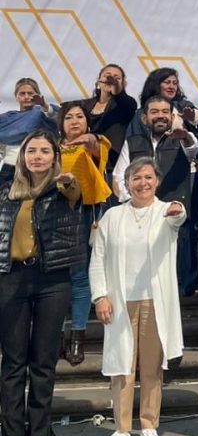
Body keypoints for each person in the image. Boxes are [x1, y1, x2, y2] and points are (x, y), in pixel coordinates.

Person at [89, 158, 186, 436]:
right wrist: (100, 296)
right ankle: (121, 430)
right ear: (127, 183)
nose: (142, 183)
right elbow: (98, 259)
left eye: (148, 177)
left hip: (154, 301)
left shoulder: (165, 211)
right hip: (120, 302)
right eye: (136, 178)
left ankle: (148, 426)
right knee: (122, 368)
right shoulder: (112, 216)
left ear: (157, 181)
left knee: (151, 368)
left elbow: (178, 216)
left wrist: (178, 209)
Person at [0, 130, 83, 436]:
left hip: (52, 280)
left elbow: (76, 192)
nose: (37, 156)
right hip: (11, 279)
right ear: (22, 156)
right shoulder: (6, 191)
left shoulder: (63, 187)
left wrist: (69, 182)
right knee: (13, 363)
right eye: (31, 150)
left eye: (44, 151)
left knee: (43, 363)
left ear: (54, 157)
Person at [58, 100, 112, 367]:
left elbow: (93, 144)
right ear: (61, 124)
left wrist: (88, 138)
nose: (74, 121)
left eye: (79, 116)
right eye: (69, 117)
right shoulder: (50, 147)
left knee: (80, 277)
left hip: (85, 214)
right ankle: (56, 337)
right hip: (55, 215)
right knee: (57, 279)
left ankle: (77, 336)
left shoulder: (97, 142)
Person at [113, 95, 198, 205]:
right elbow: (118, 178)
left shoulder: (183, 139)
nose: (160, 116)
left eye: (165, 112)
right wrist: (136, 200)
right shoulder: (132, 143)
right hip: (139, 210)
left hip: (174, 210)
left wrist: (185, 137)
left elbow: (192, 149)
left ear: (172, 117)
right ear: (144, 119)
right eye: (154, 112)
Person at [79, 63, 137, 174]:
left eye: (116, 78)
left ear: (122, 84)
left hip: (110, 166)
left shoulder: (126, 104)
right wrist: (46, 108)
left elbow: (124, 100)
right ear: (98, 80)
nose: (111, 79)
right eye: (107, 76)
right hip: (85, 163)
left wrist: (116, 87)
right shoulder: (85, 105)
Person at [0, 78, 58, 184]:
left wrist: (44, 105)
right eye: (22, 93)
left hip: (36, 168)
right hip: (10, 167)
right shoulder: (6, 118)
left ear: (38, 95)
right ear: (16, 96)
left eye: (30, 93)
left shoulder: (43, 113)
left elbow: (61, 120)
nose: (26, 97)